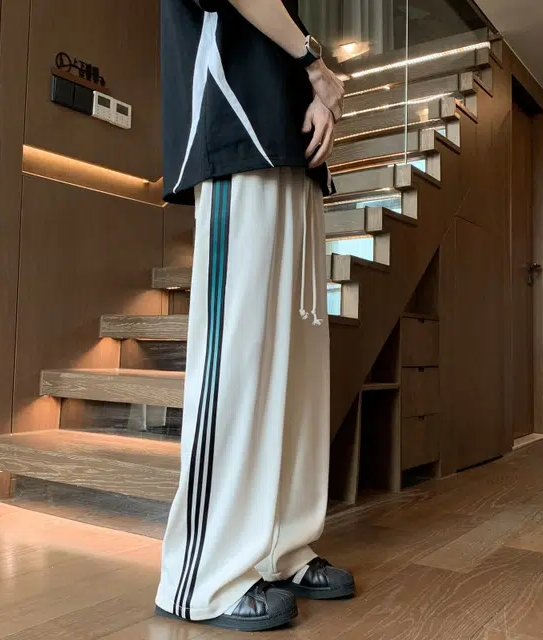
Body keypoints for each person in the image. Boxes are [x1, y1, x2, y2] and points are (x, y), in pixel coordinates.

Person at [155, 0, 354, 631]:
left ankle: (280, 547)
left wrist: (315, 89)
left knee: (296, 365)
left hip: (290, 141)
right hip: (235, 131)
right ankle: (203, 574)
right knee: (237, 363)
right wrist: (315, 65)